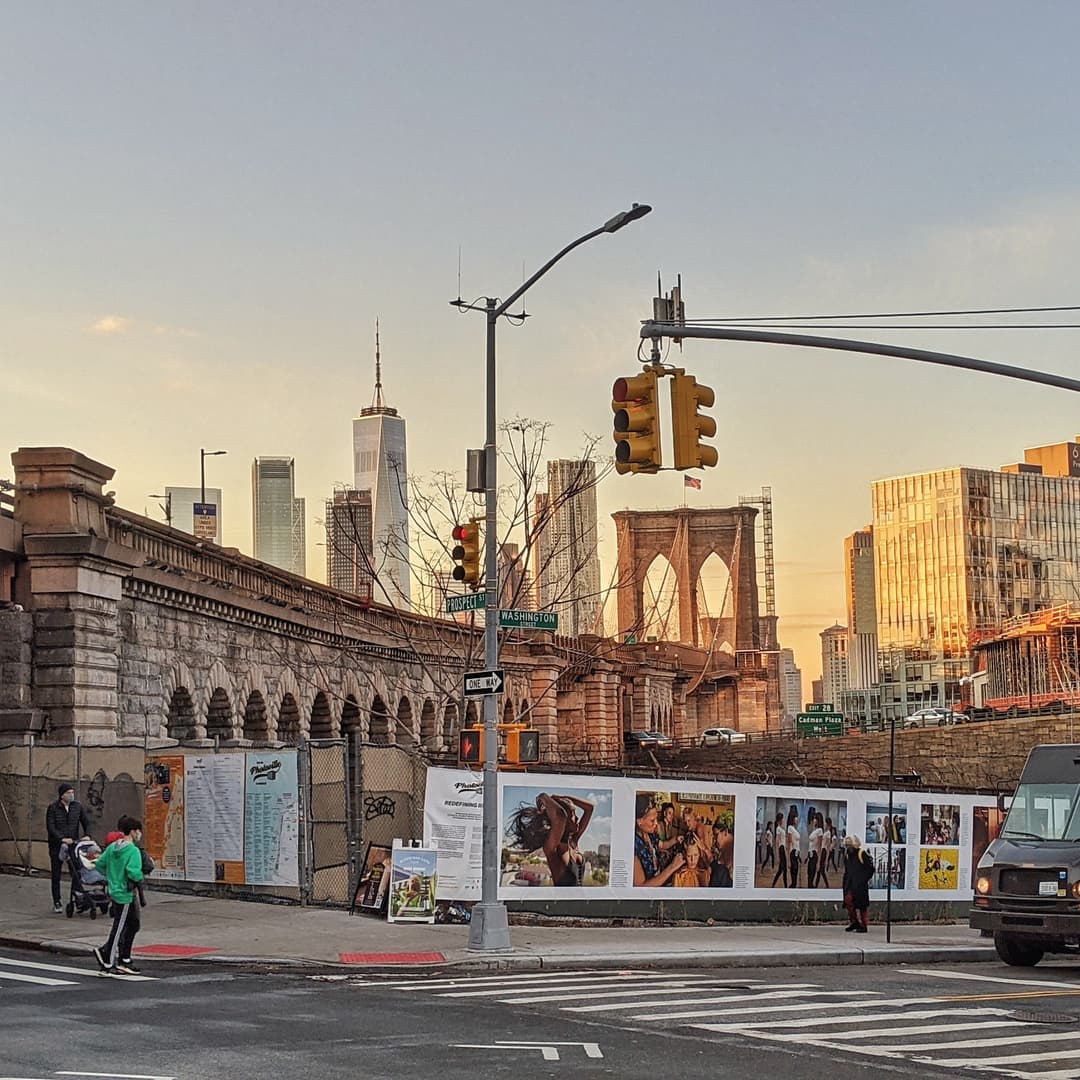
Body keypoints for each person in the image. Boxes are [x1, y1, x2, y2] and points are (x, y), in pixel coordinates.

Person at [92, 817, 146, 975]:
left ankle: (124, 959)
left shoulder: (112, 848)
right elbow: (133, 871)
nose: (140, 834)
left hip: (114, 890)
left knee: (132, 924)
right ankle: (107, 963)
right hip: (125, 893)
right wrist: (140, 877)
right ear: (133, 831)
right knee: (119, 927)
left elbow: (100, 864)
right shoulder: (133, 850)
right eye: (138, 831)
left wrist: (111, 876)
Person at [506, 793, 593, 887]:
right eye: (572, 814)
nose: (577, 818)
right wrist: (542, 796)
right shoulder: (553, 849)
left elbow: (589, 808)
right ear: (565, 821)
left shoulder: (573, 842)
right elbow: (560, 816)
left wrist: (562, 798)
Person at [45, 783, 91, 913]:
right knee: (56, 873)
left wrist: (87, 835)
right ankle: (57, 901)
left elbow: (86, 822)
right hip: (57, 845)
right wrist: (61, 838)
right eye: (68, 793)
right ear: (62, 795)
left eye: (72, 792)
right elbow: (51, 827)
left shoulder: (77, 806)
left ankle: (77, 898)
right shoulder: (53, 808)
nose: (71, 795)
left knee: (76, 871)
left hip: (73, 844)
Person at [633, 795, 684, 887]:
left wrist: (676, 839)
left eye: (656, 818)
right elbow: (642, 887)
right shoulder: (633, 845)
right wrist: (672, 867)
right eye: (652, 820)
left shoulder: (651, 834)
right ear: (639, 821)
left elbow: (662, 845)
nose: (656, 823)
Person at [842, 834, 873, 933]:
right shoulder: (847, 855)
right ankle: (854, 922)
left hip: (860, 885)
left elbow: (871, 869)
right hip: (850, 884)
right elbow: (847, 870)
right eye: (846, 846)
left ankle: (864, 925)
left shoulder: (861, 853)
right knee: (848, 902)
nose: (847, 848)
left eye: (849, 845)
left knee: (861, 906)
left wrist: (863, 880)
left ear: (854, 845)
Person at [769, 811, 787, 888]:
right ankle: (785, 887)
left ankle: (774, 885)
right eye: (783, 818)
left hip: (783, 849)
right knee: (783, 870)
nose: (784, 820)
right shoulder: (778, 829)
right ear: (780, 819)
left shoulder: (781, 828)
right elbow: (777, 842)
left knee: (781, 870)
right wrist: (778, 855)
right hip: (781, 849)